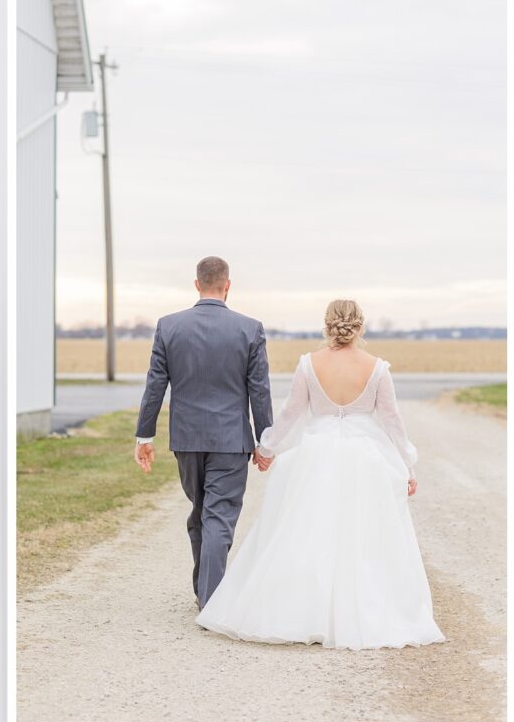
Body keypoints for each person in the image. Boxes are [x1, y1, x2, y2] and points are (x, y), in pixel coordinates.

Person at [196, 299, 446, 649]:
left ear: (328, 325)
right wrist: (408, 464)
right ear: (360, 327)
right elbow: (393, 422)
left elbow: (290, 414)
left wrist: (265, 448)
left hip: (316, 453)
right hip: (366, 458)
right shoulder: (377, 368)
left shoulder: (309, 365)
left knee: (310, 531)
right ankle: (362, 610)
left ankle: (303, 611)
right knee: (364, 536)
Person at [134, 256, 274, 610]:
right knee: (215, 514)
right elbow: (259, 390)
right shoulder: (250, 329)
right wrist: (265, 441)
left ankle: (205, 591)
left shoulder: (169, 326)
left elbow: (155, 385)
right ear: (228, 285)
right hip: (230, 440)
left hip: (187, 438)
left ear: (197, 284)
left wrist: (144, 436)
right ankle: (212, 599)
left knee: (205, 512)